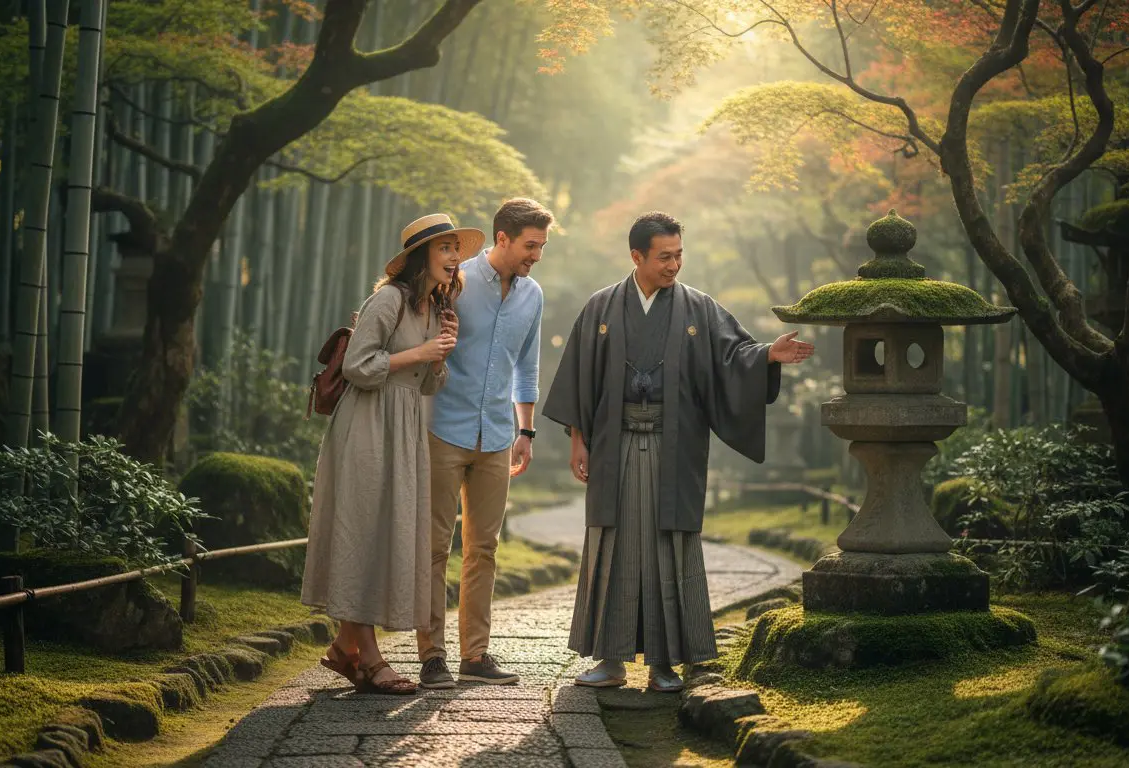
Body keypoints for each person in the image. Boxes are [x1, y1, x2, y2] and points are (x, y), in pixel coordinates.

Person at [542, 211, 815, 692]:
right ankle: (609, 660)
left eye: (679, 255)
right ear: (636, 256)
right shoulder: (601, 308)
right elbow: (579, 381)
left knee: (670, 547)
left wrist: (767, 355)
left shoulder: (699, 308)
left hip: (675, 446)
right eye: (664, 256)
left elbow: (733, 356)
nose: (674, 265)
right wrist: (577, 443)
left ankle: (666, 664)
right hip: (615, 445)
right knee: (614, 545)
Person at [301, 213, 483, 694]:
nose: (454, 257)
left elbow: (426, 384)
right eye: (445, 248)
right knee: (361, 530)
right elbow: (360, 365)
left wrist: (440, 352)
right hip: (365, 425)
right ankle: (373, 659)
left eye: (456, 250)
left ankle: (345, 649)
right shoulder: (388, 300)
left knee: (382, 533)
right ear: (420, 256)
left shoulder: (432, 310)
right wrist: (419, 355)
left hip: (404, 425)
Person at [417, 198, 555, 689]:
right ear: (503, 238)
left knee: (485, 548)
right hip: (443, 430)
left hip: (497, 435)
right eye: (530, 245)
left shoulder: (533, 294)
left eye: (541, 246)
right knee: (434, 547)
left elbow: (527, 365)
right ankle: (431, 656)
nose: (536, 255)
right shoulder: (455, 281)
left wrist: (527, 430)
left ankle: (475, 656)